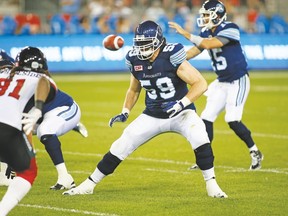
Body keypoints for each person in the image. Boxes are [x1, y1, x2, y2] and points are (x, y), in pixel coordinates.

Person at [63, 20, 228, 198]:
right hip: (153, 115)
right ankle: (89, 184)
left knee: (200, 136)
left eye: (146, 43)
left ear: (157, 41)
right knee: (122, 144)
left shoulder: (171, 55)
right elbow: (134, 89)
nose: (142, 48)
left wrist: (181, 104)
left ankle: (212, 185)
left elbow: (200, 83)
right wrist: (125, 111)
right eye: (139, 43)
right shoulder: (134, 59)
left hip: (181, 112)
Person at [168, 0, 263, 170]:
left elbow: (209, 44)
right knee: (206, 118)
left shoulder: (230, 28)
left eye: (206, 15)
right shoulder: (206, 31)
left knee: (232, 120)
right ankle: (205, 160)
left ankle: (255, 151)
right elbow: (195, 50)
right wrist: (174, 59)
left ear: (217, 15)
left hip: (237, 80)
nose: (203, 18)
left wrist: (185, 33)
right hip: (221, 81)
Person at [0, 49, 88, 190]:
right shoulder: (13, 75)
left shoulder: (28, 79)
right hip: (38, 112)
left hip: (64, 108)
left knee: (45, 132)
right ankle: (4, 176)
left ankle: (65, 177)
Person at [0, 46, 57, 215]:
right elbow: (43, 81)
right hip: (6, 127)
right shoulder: (40, 77)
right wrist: (38, 108)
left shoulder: (3, 74)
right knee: (27, 172)